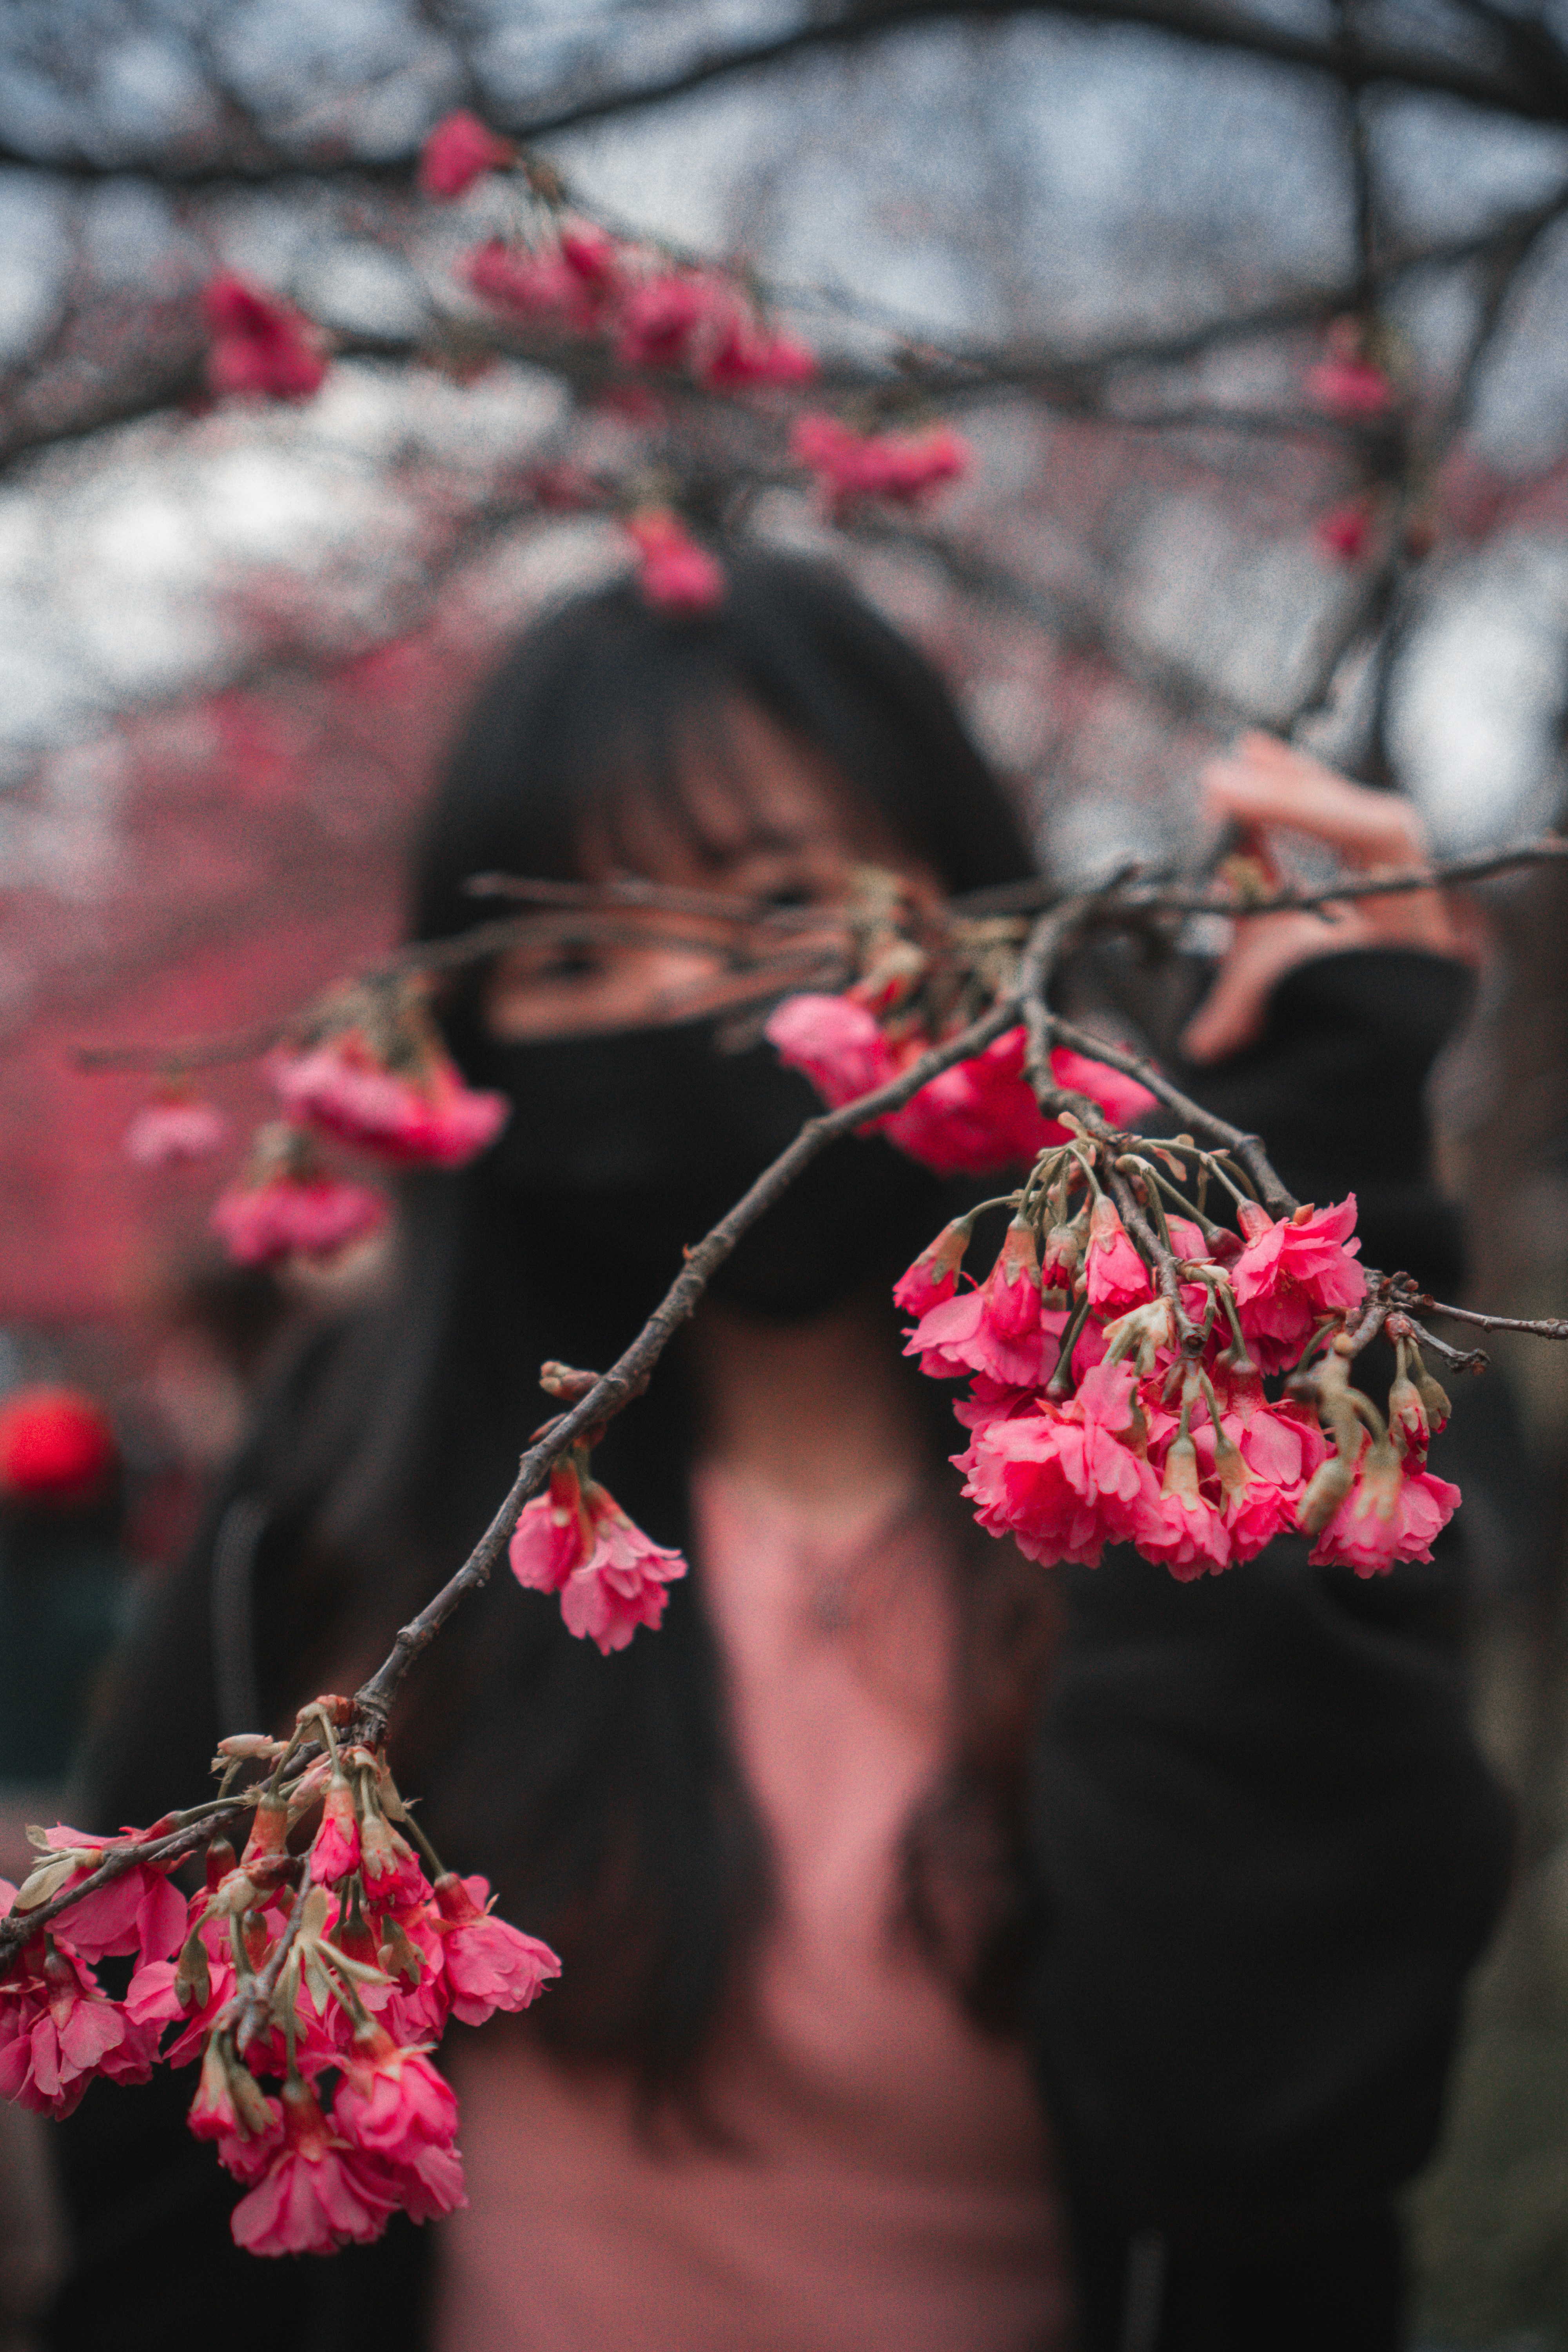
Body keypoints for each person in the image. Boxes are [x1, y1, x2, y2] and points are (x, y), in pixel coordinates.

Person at [42, 548, 1510, 2352]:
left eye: (763, 909)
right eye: (574, 951)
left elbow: (1265, 2119)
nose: (675, 1002)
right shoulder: (341, 1477)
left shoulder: (1185, 1412)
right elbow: (159, 2215)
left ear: (957, 912)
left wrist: (1307, 1168)